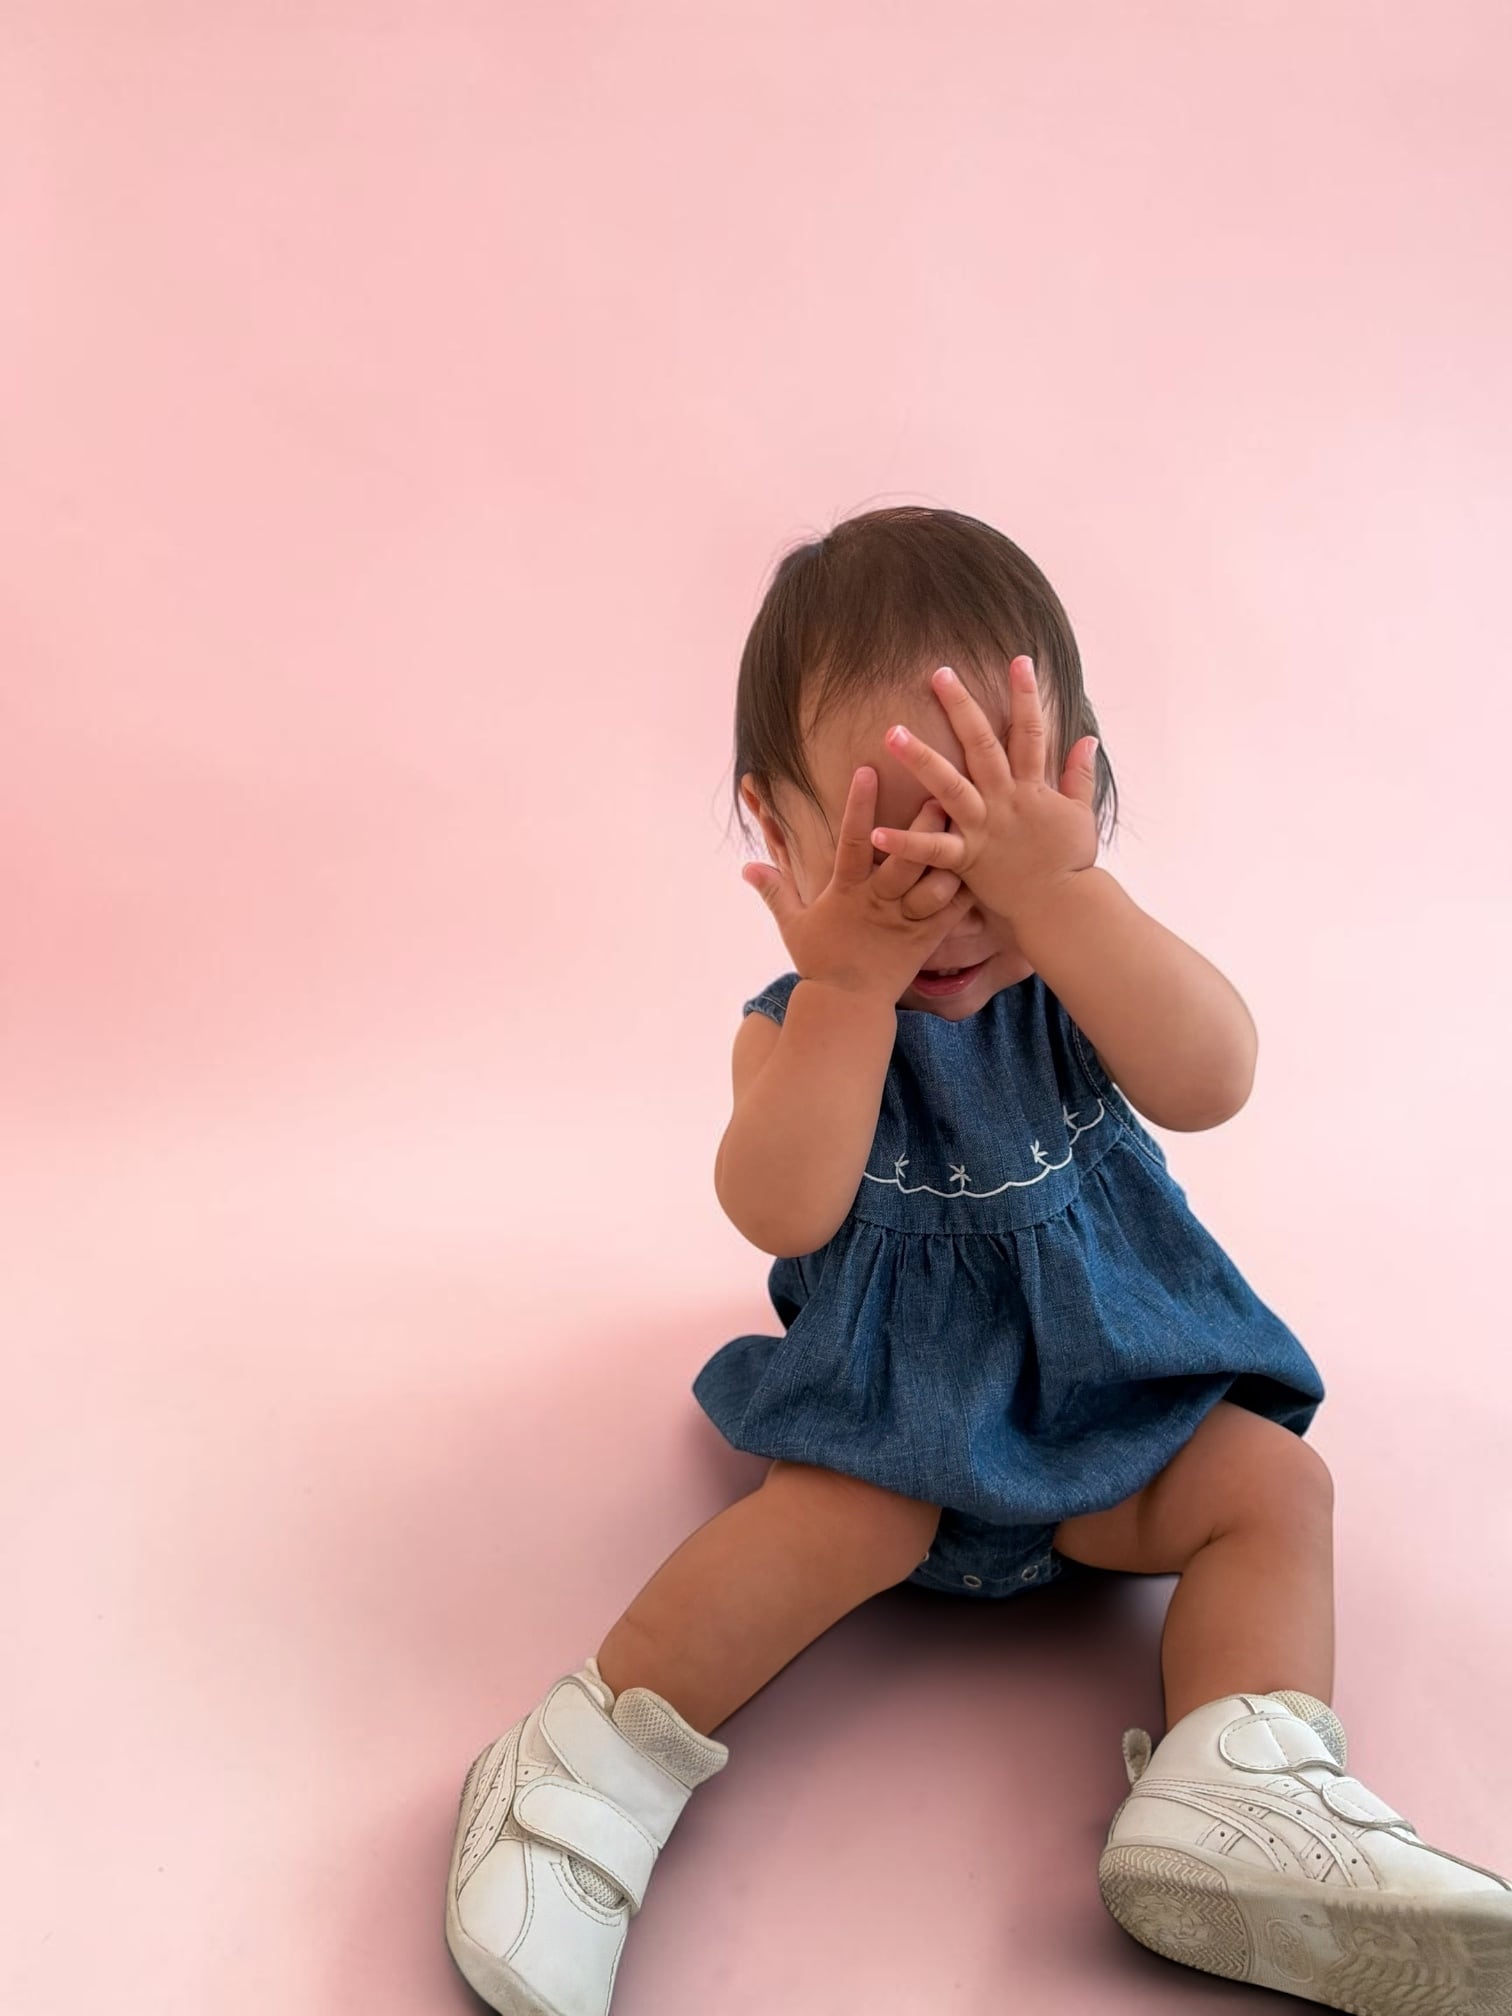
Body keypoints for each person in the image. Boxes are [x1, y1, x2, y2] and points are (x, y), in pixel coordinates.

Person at [443, 505, 1512, 2016]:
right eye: (888, 855)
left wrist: (1063, 900)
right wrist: (846, 992)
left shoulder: (1075, 978)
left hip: (1106, 1428)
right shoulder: (800, 1025)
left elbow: (1214, 1075)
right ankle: (584, 1765)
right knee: (820, 1529)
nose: (944, 911)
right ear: (777, 836)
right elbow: (778, 1208)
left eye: (988, 846)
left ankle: (1241, 1787)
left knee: (1276, 1489)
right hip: (892, 1444)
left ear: (1078, 794)